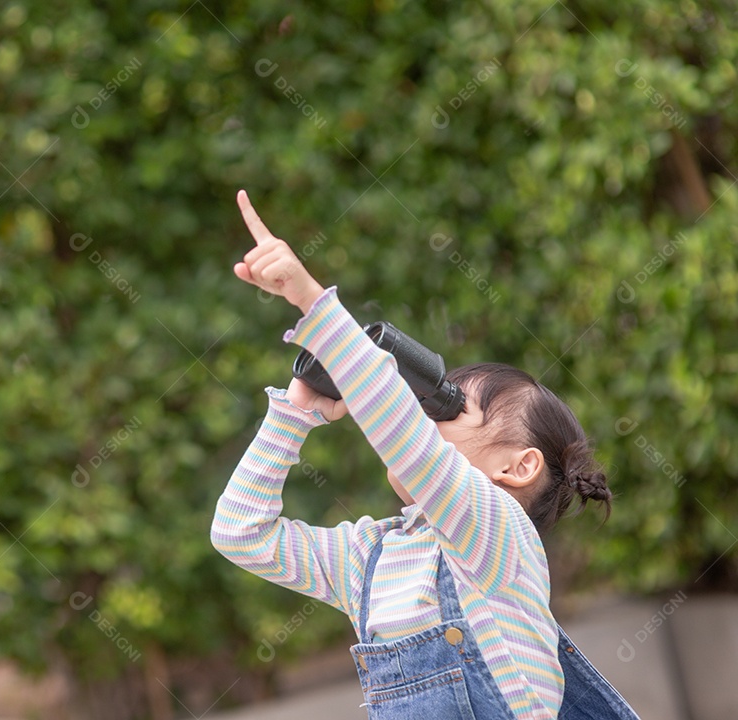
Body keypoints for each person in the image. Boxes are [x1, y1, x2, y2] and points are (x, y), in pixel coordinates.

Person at [211, 190, 640, 719]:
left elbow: (411, 447)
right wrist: (294, 413)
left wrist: (313, 303)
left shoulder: (497, 535)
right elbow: (241, 533)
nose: (427, 416)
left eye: (454, 408)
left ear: (517, 467)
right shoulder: (369, 555)